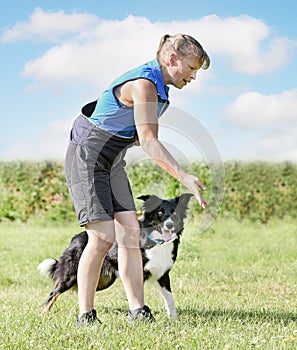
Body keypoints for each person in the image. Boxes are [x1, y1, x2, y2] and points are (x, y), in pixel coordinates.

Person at [65, 33, 210, 326]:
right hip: (88, 153)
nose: (193, 76)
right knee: (103, 236)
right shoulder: (144, 85)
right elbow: (148, 141)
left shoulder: (160, 89)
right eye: (192, 68)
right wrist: (183, 176)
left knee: (131, 232)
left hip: (112, 159)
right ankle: (85, 315)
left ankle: (137, 311)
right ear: (172, 59)